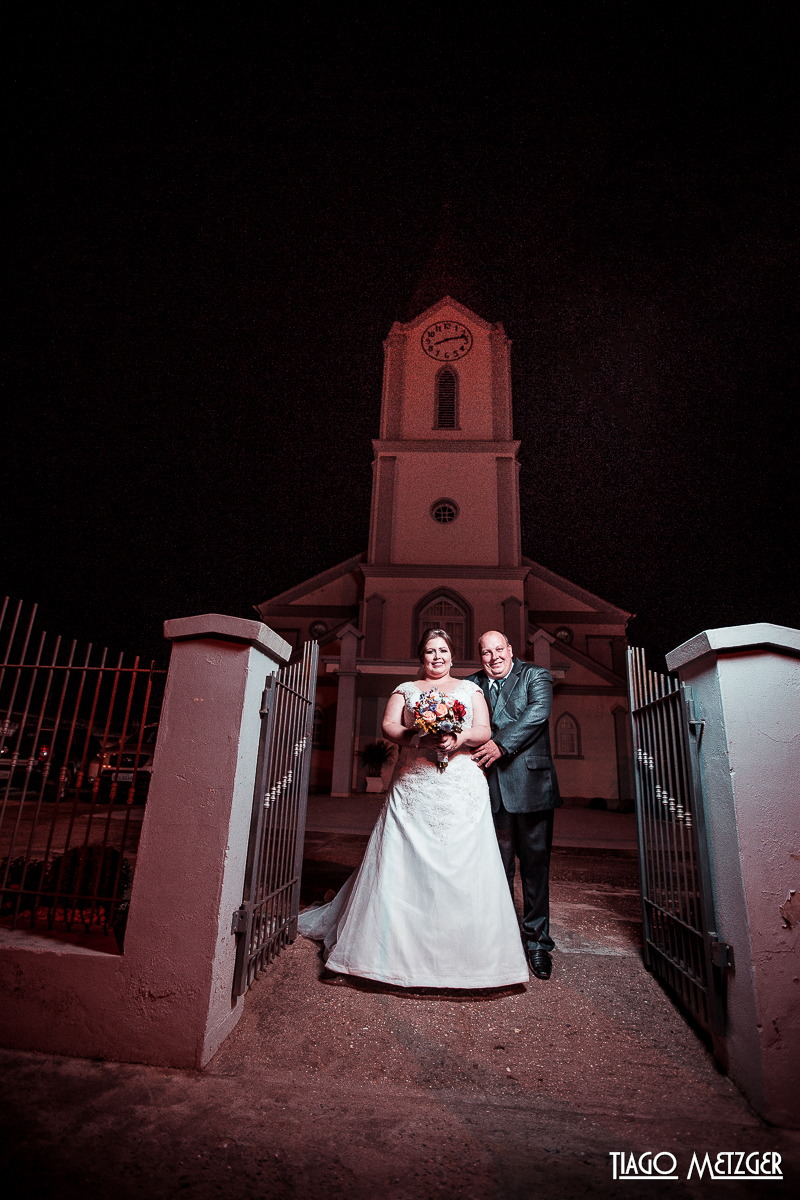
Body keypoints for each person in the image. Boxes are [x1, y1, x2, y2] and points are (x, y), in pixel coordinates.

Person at [297, 628, 529, 989]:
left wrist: (459, 737)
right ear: (421, 657)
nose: (437, 657)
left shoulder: (470, 690)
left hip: (461, 785)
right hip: (414, 785)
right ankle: (372, 956)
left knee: (464, 864)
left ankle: (475, 960)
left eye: (442, 651)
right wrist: (419, 736)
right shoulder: (405, 690)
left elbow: (484, 729)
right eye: (430, 651)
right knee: (401, 862)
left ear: (452, 655)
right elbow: (389, 726)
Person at [469, 631, 561, 980]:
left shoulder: (535, 675)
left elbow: (537, 714)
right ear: (480, 657)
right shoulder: (472, 684)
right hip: (491, 788)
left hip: (532, 787)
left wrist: (500, 744)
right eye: (486, 652)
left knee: (535, 868)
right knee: (498, 868)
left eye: (499, 649)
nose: (493, 657)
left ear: (510, 650)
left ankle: (538, 943)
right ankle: (503, 940)